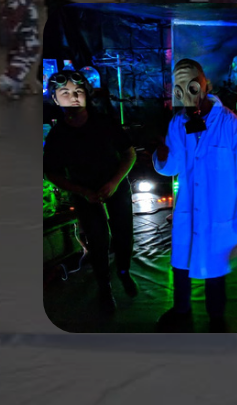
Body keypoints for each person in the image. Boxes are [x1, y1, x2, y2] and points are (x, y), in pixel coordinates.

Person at [152, 59, 237, 332]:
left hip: (219, 213)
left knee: (216, 272)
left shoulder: (229, 124)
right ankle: (181, 311)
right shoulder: (179, 123)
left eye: (192, 85)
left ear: (205, 85)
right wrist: (162, 157)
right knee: (181, 265)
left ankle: (216, 319)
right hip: (188, 210)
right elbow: (174, 165)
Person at [42, 71, 137, 315]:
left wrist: (114, 182)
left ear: (86, 94)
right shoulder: (57, 136)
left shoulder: (104, 122)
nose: (73, 97)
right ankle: (104, 287)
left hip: (115, 187)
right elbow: (51, 173)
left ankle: (124, 272)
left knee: (124, 235)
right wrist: (82, 191)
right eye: (65, 93)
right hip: (84, 193)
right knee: (97, 242)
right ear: (55, 98)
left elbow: (129, 153)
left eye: (78, 91)